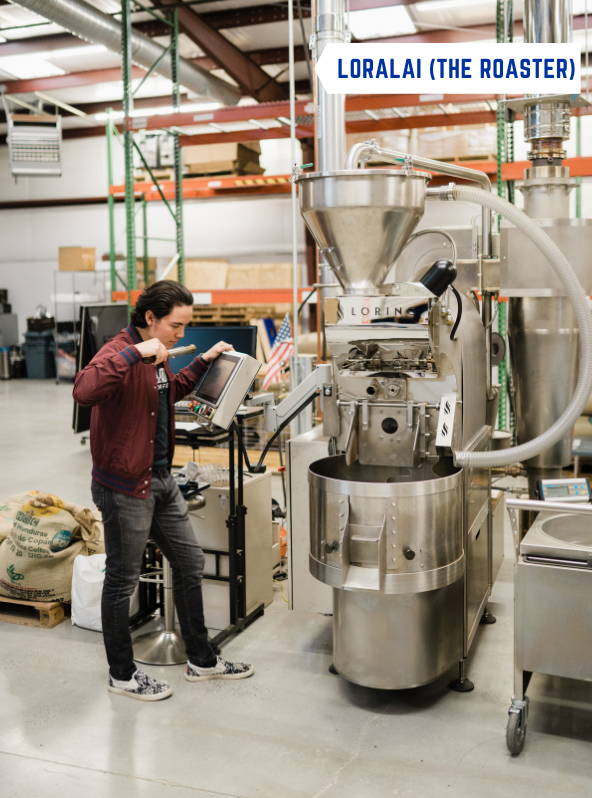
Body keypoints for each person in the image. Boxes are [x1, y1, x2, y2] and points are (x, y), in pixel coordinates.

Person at [73, 280, 254, 701]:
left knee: (190, 563)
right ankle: (122, 675)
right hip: (123, 487)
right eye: (176, 325)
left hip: (159, 480)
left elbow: (165, 392)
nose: (181, 335)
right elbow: (84, 390)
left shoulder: (156, 353)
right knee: (122, 580)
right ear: (150, 318)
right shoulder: (121, 349)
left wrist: (203, 363)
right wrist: (134, 353)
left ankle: (201, 660)